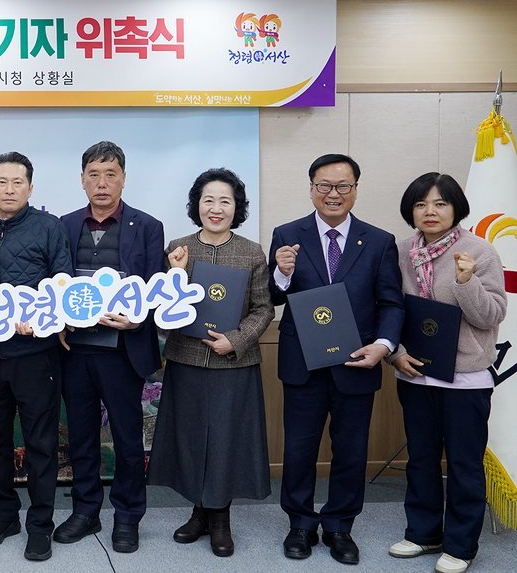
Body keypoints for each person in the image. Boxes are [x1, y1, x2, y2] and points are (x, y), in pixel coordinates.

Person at [267, 154, 404, 565]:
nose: (333, 193)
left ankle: (340, 525)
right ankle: (300, 524)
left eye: (343, 185)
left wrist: (384, 345)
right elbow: (273, 297)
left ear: (356, 190)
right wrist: (281, 273)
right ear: (311, 188)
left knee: (351, 449)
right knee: (299, 448)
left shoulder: (378, 241)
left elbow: (391, 303)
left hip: (356, 361)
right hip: (303, 363)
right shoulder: (286, 234)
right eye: (324, 185)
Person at [148, 168, 273, 557]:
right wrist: (175, 274)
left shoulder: (251, 252)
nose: (216, 209)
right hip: (186, 359)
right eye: (208, 200)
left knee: (225, 441)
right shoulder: (178, 248)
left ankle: (220, 518)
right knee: (189, 438)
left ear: (237, 207)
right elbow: (162, 310)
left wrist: (235, 340)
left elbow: (263, 308)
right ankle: (199, 513)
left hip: (233, 363)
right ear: (196, 205)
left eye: (225, 201)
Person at [386, 173, 505, 573]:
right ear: (411, 211)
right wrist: (396, 354)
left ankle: (461, 545)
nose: (430, 211)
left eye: (440, 203)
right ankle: (423, 533)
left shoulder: (480, 251)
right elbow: (389, 309)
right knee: (420, 458)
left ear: (456, 208)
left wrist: (466, 281)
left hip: (466, 378)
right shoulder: (400, 252)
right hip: (415, 374)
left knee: (464, 463)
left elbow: (491, 316)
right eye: (421, 204)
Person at [54, 141, 164, 554]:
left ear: (124, 178)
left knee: (128, 438)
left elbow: (153, 285)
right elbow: (54, 282)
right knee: (81, 437)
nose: (102, 183)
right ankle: (85, 511)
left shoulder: (147, 226)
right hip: (75, 350)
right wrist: (59, 319)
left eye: (110, 174)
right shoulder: (64, 225)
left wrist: (138, 318)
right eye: (94, 175)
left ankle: (128, 516)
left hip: (123, 350)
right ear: (82, 180)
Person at [0, 151, 72, 562]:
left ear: (30, 187)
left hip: (35, 355)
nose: (9, 189)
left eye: (18, 182)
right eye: (2, 182)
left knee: (41, 443)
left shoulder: (49, 227)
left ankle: (40, 525)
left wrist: (43, 319)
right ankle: (4, 514)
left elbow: (62, 282)